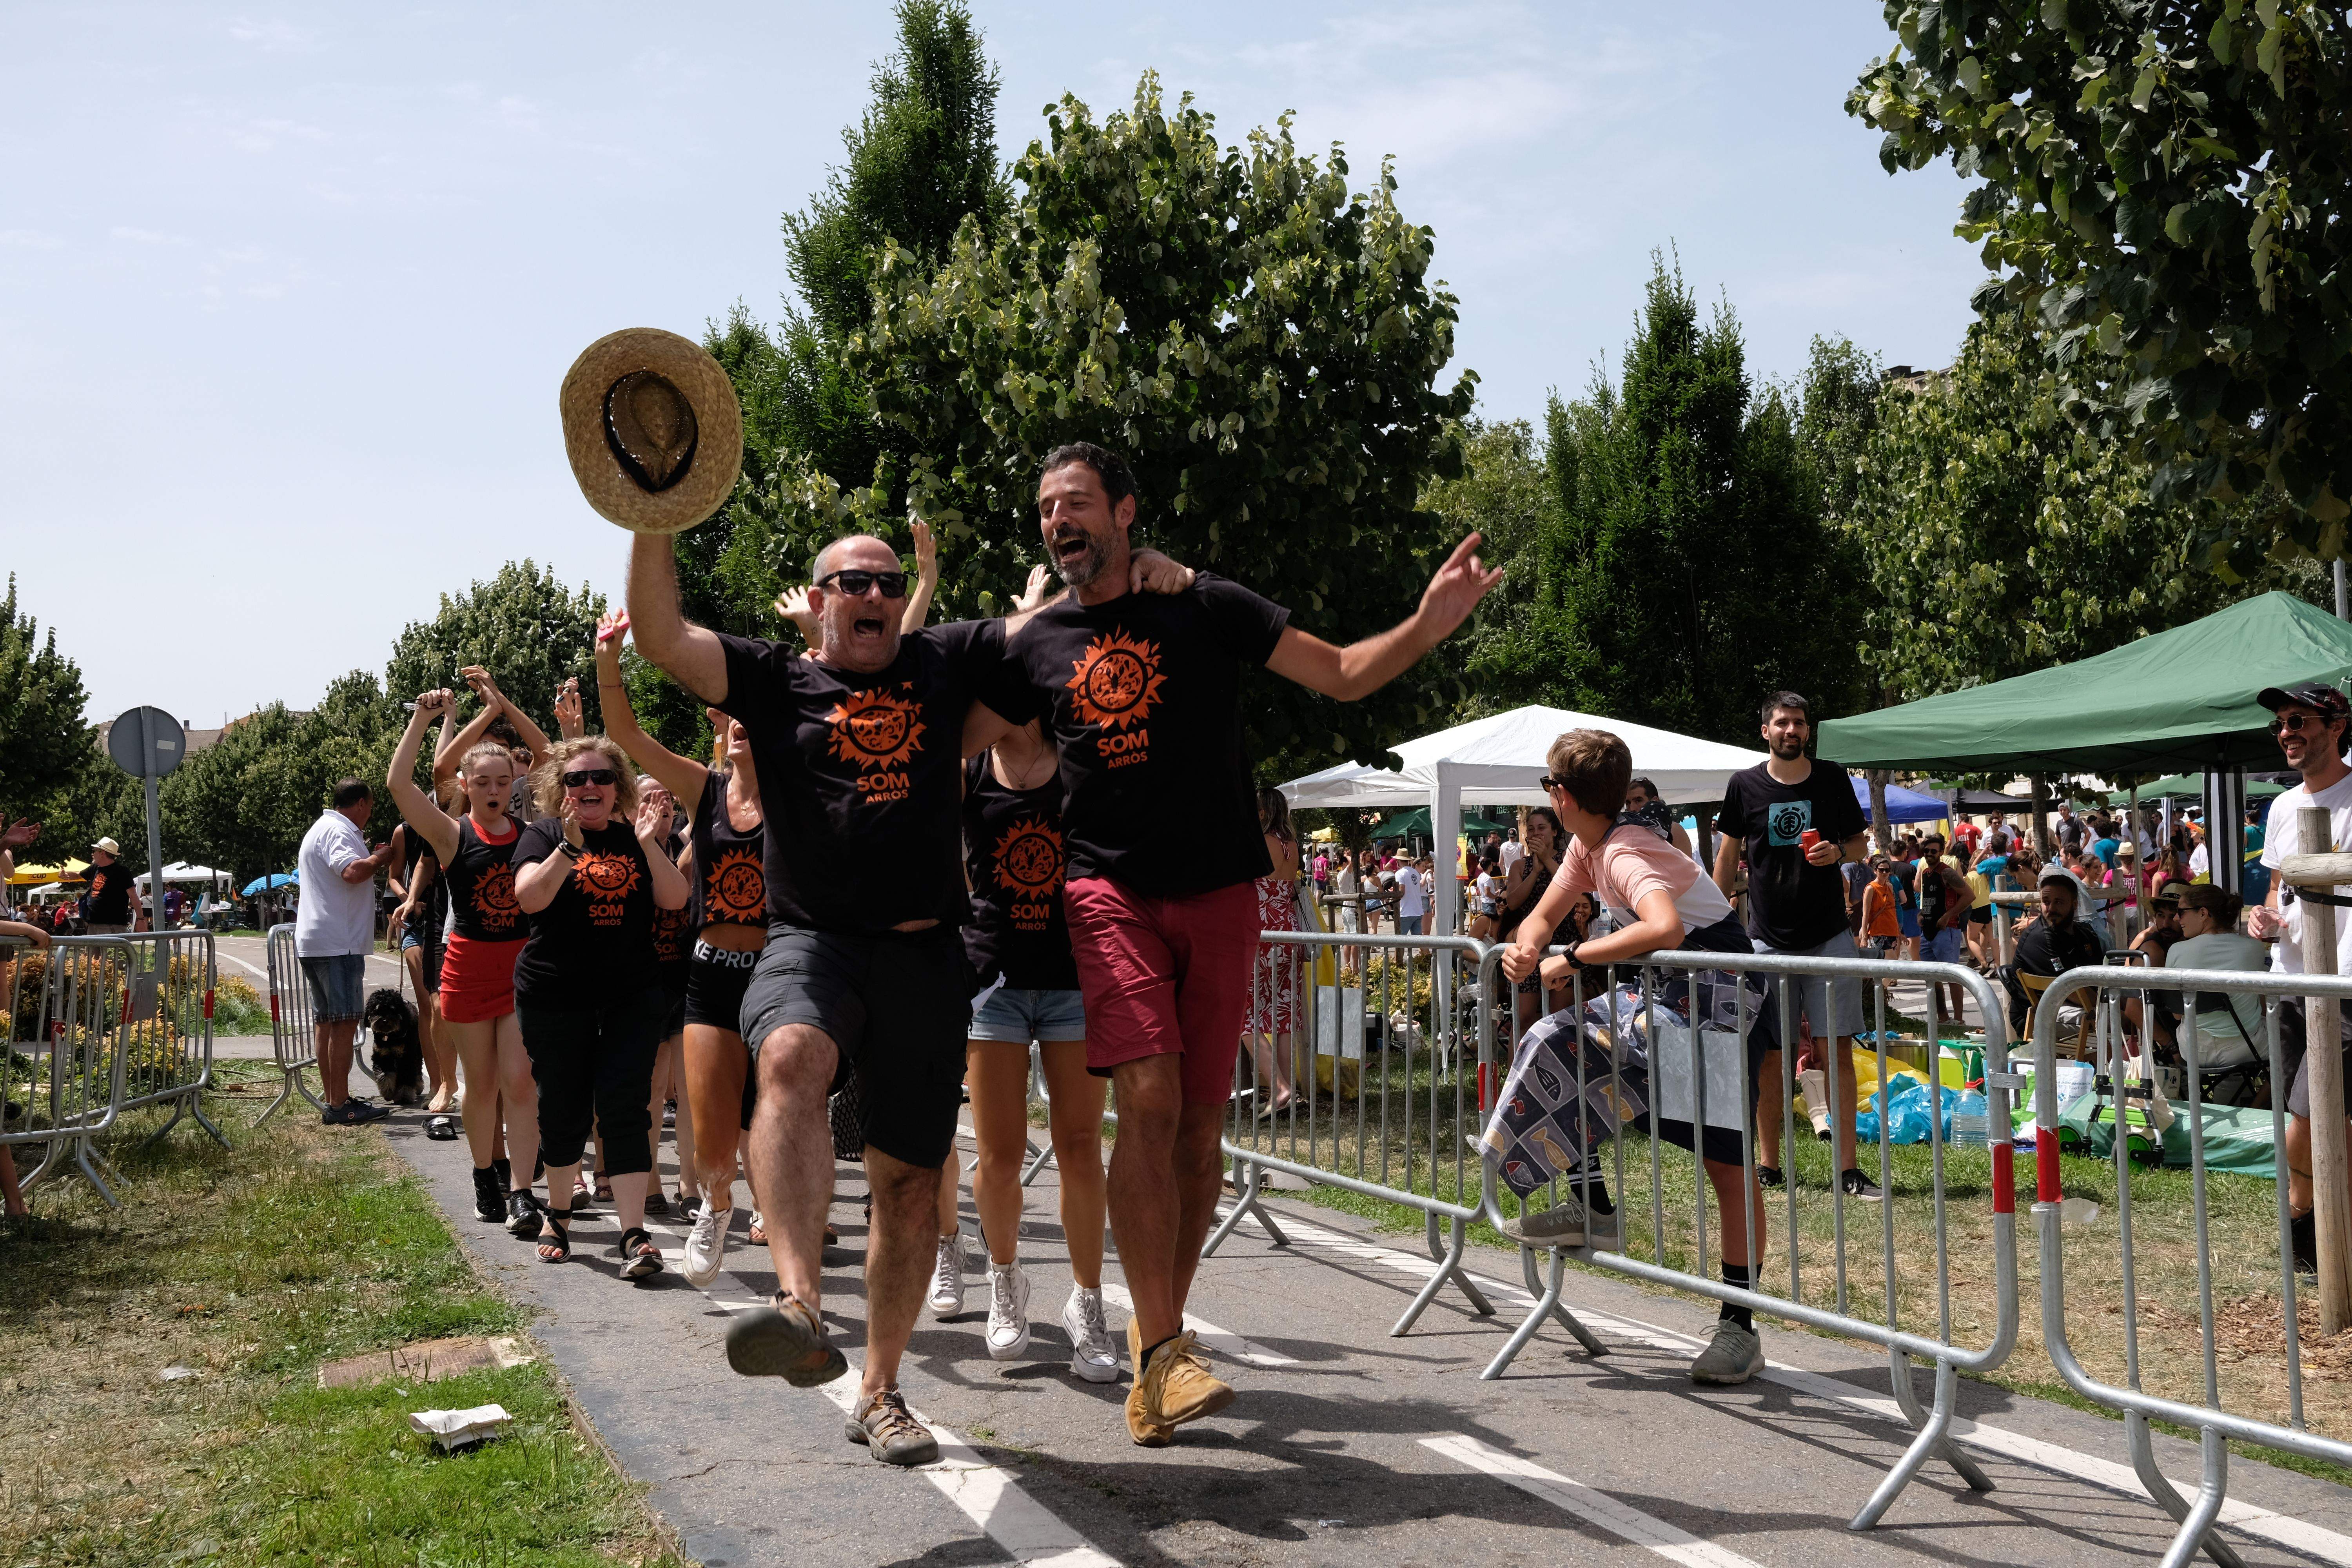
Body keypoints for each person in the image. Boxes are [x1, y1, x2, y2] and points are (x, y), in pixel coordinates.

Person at [625, 510, 1197, 1466]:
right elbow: (659, 635)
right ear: (818, 603)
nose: (879, 596)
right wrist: (651, 518)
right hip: (814, 941)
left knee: (907, 1180)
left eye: (890, 582)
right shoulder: (774, 679)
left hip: (929, 956)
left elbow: (1048, 628)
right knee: (793, 1055)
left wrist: (1133, 573)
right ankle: (800, 1303)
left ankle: (881, 1392)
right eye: (856, 583)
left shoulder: (939, 662)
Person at [965, 440, 1499, 1446]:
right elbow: (942, 741)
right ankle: (1167, 1348)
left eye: (1075, 502)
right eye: (1044, 509)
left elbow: (1340, 674)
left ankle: (1154, 1354)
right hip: (1106, 890)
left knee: (1203, 1135)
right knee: (1151, 1098)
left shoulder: (1205, 604)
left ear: (1126, 511)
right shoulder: (1036, 646)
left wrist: (1429, 624)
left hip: (1219, 893)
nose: (1056, 521)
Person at [1501, 728, 1774, 1383]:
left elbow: (1664, 928)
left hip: (1721, 1002)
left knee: (1726, 1168)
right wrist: (1527, 946)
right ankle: (1592, 1205)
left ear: (1562, 796)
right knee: (1555, 1042)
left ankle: (1740, 1326)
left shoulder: (1624, 851)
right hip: (1669, 1002)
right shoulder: (1587, 845)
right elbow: (1543, 913)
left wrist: (1573, 956)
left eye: (1547, 788)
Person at [949, 623, 1119, 1381]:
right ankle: (1006, 1282)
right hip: (993, 983)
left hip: (1074, 978)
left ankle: (1088, 1301)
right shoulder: (965, 769)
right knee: (1000, 1155)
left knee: (1082, 1149)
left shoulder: (1078, 764)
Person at [592, 609, 775, 1284]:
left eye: (756, 713)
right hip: (710, 976)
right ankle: (716, 1205)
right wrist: (610, 662)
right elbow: (626, 735)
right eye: (734, 716)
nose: (744, 722)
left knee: (775, 1115)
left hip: (777, 973)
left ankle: (779, 1226)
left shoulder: (797, 792)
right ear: (723, 728)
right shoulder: (706, 789)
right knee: (714, 1118)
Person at [509, 733, 690, 1280]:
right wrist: (567, 847)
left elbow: (675, 898)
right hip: (555, 996)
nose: (590, 787)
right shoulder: (540, 836)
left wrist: (651, 842)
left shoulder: (633, 838)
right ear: (559, 788)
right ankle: (559, 1217)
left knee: (626, 1107)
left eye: (602, 778)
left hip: (630, 996)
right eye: (577, 779)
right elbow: (529, 898)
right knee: (563, 1106)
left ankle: (634, 1233)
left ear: (618, 789)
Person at [1710, 692, 1878, 1202]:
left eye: (1799, 723)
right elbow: (1728, 858)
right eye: (1781, 722)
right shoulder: (1743, 785)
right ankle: (1768, 1165)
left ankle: (1847, 1170)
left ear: (1809, 731)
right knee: (1769, 1060)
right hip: (1766, 942)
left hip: (1829, 938)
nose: (1791, 730)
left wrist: (1837, 852)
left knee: (1836, 1055)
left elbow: (1861, 845)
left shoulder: (1832, 778)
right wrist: (1715, 923)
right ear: (1765, 730)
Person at [389, 695, 545, 1230]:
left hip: (521, 975)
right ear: (466, 787)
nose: (495, 791)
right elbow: (400, 786)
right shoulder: (452, 834)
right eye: (484, 783)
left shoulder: (532, 836)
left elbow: (553, 757)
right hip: (467, 973)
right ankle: (485, 1178)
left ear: (514, 786)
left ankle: (523, 1192)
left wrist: (514, 707)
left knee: (520, 1083)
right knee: (481, 1087)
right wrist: (421, 721)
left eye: (504, 782)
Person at [2247, 681, 2352, 1275]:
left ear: (2336, 726)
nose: (2287, 733)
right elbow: (2275, 888)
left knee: (2309, 1117)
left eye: (2299, 721)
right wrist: (2261, 917)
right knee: (2324, 1119)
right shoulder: (2283, 807)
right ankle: (2327, 1239)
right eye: (2281, 725)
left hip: (2342, 986)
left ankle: (2300, 1214)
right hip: (2288, 979)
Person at [294, 782, 398, 1124]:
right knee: (343, 1024)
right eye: (369, 806)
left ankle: (334, 1099)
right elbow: (352, 872)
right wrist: (380, 857)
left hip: (320, 939)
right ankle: (340, 1105)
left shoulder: (321, 829)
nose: (370, 813)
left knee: (327, 1023)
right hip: (338, 942)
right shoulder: (339, 831)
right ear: (360, 803)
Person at [1247, 788, 1306, 1119]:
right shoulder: (1291, 846)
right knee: (1283, 1014)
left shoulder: (1261, 842)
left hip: (1261, 930)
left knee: (1243, 1015)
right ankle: (1285, 1093)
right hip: (1289, 929)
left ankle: (1279, 1087)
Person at [1915, 834, 1975, 1029]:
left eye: (1934, 851)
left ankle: (1959, 1020)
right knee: (1931, 977)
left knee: (1952, 976)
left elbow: (1969, 896)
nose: (1930, 854)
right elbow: (1930, 899)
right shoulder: (1925, 873)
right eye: (1927, 851)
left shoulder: (1947, 873)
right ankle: (1943, 1017)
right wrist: (1921, 914)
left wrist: (1948, 915)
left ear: (1941, 852)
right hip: (1928, 930)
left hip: (1947, 930)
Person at [82, 838, 143, 934]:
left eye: (94, 851)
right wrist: (66, 875)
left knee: (112, 950)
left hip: (112, 926)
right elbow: (78, 874)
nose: (92, 854)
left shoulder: (122, 872)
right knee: (92, 950)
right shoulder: (95, 868)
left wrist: (141, 920)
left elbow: (134, 897)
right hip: (92, 924)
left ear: (102, 854)